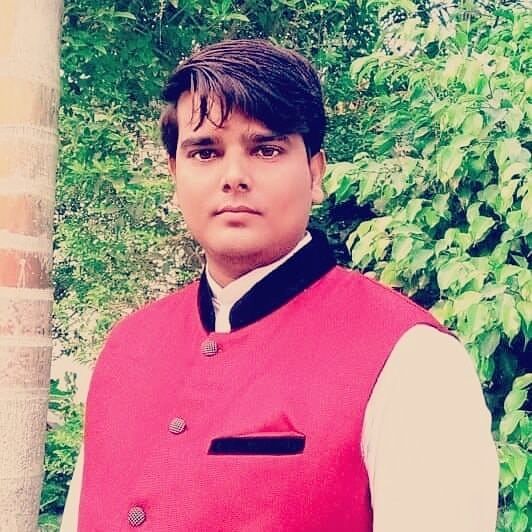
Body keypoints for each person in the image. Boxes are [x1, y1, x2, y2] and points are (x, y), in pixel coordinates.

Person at [61, 39, 498, 531]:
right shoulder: (127, 348)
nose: (233, 177)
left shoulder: (411, 358)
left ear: (314, 172)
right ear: (175, 174)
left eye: (266, 149)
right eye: (205, 152)